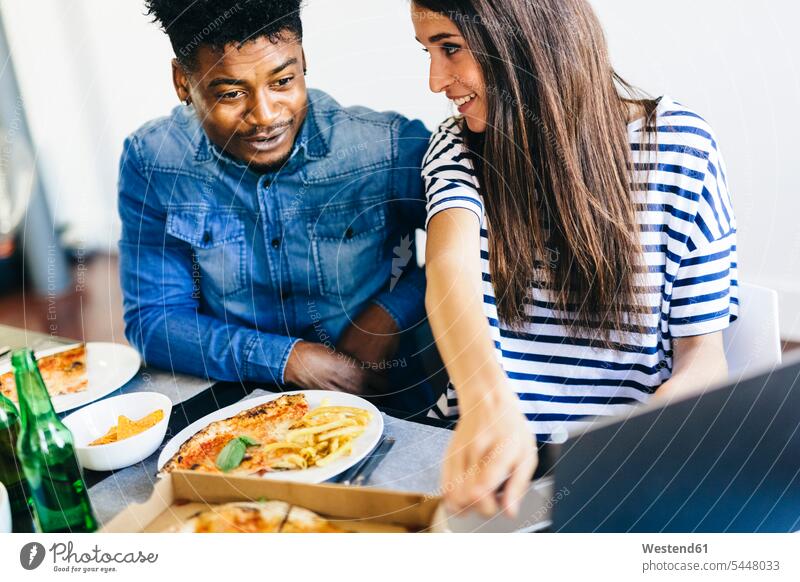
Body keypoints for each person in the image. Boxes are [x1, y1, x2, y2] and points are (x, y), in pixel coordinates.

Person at [411, 0, 738, 517]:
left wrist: (642, 447)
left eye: (450, 47)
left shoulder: (682, 147)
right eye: (427, 51)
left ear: (526, 37)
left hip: (619, 475)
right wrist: (487, 403)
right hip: (477, 471)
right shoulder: (457, 146)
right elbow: (448, 264)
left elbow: (702, 357)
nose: (435, 80)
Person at [118, 0, 436, 412]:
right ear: (183, 82)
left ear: (303, 60)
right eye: (231, 93)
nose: (265, 116)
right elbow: (154, 321)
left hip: (386, 399)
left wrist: (392, 311)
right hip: (243, 409)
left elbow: (493, 244)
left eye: (283, 81)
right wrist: (288, 358)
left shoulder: (387, 147)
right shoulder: (153, 161)